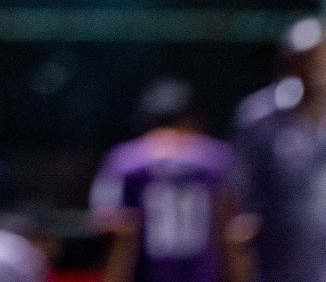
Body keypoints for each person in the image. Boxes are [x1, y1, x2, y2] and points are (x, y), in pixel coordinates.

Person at [89, 78, 242, 282]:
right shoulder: (216, 158)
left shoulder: (124, 160)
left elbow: (107, 222)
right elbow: (233, 229)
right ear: (192, 118)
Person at [232, 17, 326, 282]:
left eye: (324, 58)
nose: (317, 69)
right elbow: (235, 201)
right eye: (307, 60)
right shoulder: (259, 119)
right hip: (277, 269)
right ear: (289, 65)